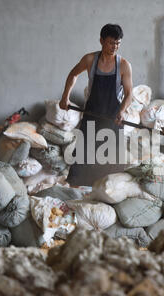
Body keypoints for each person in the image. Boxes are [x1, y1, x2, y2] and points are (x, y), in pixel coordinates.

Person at [59, 24, 133, 187]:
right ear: (101, 41)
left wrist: (122, 111)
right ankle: (76, 194)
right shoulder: (90, 60)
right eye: (111, 43)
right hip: (92, 115)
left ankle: (108, 196)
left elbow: (129, 95)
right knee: (83, 157)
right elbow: (73, 74)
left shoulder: (124, 65)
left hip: (113, 119)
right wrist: (65, 97)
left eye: (118, 43)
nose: (115, 47)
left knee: (112, 161)